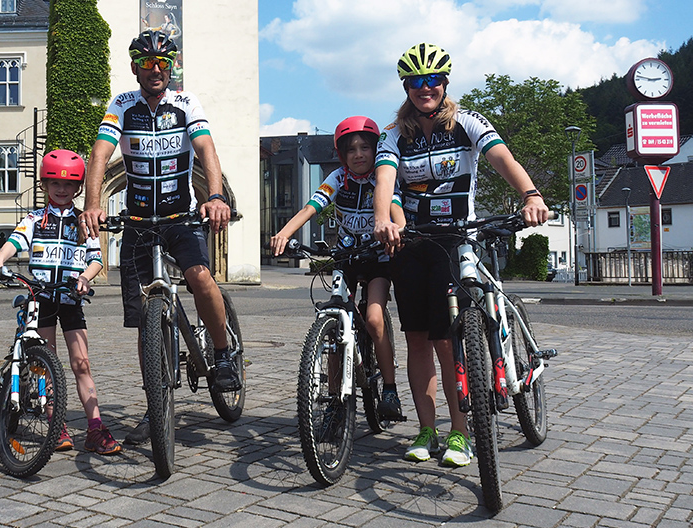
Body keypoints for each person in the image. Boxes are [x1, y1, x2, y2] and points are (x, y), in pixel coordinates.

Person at [372, 43, 549, 466]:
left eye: (433, 80)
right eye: (416, 82)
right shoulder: (394, 135)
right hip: (412, 242)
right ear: (406, 88)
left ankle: (461, 432)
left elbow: (502, 158)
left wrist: (530, 193)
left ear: (444, 83)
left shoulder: (467, 123)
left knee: (449, 342)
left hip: (456, 240)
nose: (425, 88)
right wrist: (384, 218)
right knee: (416, 340)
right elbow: (384, 179)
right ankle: (426, 430)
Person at [79, 30, 238, 446]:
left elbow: (206, 150)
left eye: (163, 62)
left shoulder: (186, 104)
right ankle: (156, 402)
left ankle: (222, 355)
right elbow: (99, 154)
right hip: (135, 222)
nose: (155, 70)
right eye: (146, 63)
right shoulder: (121, 106)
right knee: (142, 322)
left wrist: (216, 196)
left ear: (172, 67)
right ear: (134, 67)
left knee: (201, 277)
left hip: (178, 217)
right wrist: (93, 202)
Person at [0, 149, 121, 455]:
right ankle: (57, 424)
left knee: (81, 363)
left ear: (78, 188)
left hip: (71, 298)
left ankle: (96, 428)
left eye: (69, 184)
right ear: (44, 184)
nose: (62, 189)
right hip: (41, 298)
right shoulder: (34, 219)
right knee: (47, 365)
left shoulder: (85, 222)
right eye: (55, 183)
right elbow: (15, 242)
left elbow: (96, 260)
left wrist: (84, 278)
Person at [269, 116, 407, 419]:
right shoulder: (338, 179)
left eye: (365, 148)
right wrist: (285, 233)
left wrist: (400, 228)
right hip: (346, 257)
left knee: (373, 318)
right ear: (342, 155)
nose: (358, 154)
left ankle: (390, 389)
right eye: (351, 150)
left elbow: (395, 208)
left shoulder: (382, 179)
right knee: (334, 323)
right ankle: (334, 398)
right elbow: (311, 207)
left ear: (375, 151)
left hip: (377, 259)